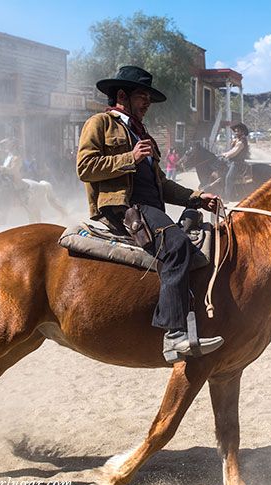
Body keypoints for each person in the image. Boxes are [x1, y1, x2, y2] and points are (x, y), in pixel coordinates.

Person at [76, 65, 223, 363]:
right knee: (177, 245)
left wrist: (195, 198)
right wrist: (129, 157)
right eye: (143, 96)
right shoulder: (100, 123)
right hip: (124, 207)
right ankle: (174, 335)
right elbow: (85, 167)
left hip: (150, 208)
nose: (147, 103)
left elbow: (163, 184)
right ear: (122, 95)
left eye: (148, 98)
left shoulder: (143, 134)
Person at [221, 123, 251, 199]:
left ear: (243, 132)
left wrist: (226, 155)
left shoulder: (242, 142)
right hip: (232, 162)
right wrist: (224, 154)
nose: (236, 133)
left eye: (238, 131)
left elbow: (234, 152)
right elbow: (231, 150)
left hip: (237, 163)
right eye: (235, 131)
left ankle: (227, 197)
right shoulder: (236, 140)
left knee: (229, 178)